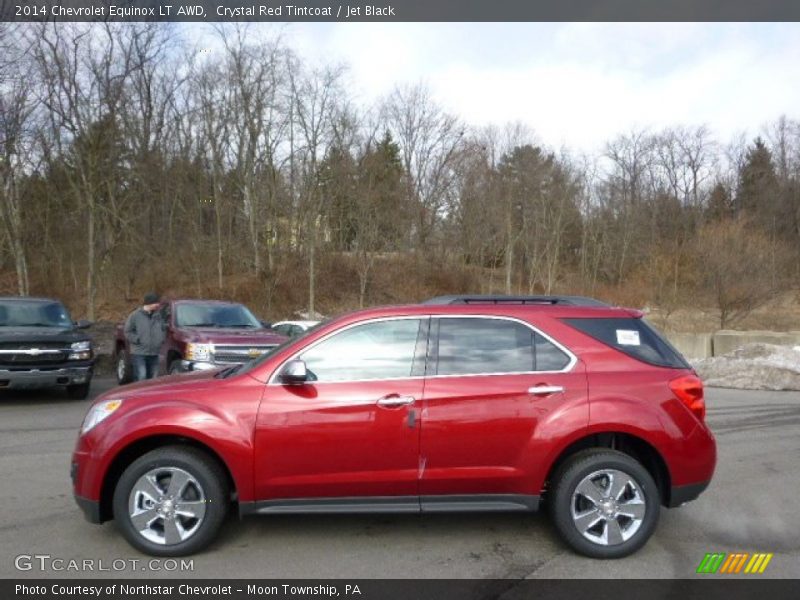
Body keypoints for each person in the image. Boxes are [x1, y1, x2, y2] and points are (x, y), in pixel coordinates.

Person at [124, 292, 166, 381]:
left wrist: (161, 339)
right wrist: (137, 339)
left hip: (154, 352)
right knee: (141, 377)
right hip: (139, 352)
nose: (158, 305)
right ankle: (137, 394)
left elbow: (163, 329)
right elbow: (127, 331)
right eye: (156, 303)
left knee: (153, 379)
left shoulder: (158, 316)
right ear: (149, 303)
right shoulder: (135, 315)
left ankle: (150, 395)